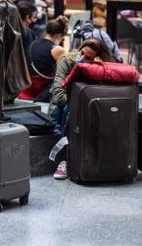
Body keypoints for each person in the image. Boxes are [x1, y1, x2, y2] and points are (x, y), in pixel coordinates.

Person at [49, 38, 115, 180]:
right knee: (70, 108)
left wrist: (96, 67)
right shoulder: (66, 60)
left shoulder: (98, 68)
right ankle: (64, 160)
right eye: (82, 52)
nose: (82, 57)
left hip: (85, 110)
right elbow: (58, 94)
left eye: (88, 57)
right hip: (61, 109)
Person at [18, 16, 68, 103]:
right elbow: (67, 69)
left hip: (26, 87)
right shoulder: (57, 49)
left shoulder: (34, 43)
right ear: (58, 35)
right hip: (39, 89)